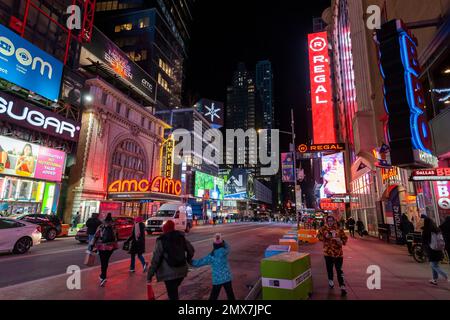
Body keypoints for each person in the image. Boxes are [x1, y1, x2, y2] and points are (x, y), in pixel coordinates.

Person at [147, 220, 195, 300]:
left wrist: (150, 275)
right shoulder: (181, 237)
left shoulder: (161, 240)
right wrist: (188, 260)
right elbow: (191, 250)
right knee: (173, 292)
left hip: (168, 274)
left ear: (164, 229)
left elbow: (156, 259)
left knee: (173, 294)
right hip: (182, 270)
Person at [191, 234, 235, 300]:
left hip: (217, 279)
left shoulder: (212, 256)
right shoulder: (225, 252)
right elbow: (228, 247)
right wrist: (222, 240)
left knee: (213, 296)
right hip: (227, 278)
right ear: (222, 244)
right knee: (230, 295)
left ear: (214, 245)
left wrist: (190, 261)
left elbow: (199, 263)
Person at [317, 215, 349, 296]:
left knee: (339, 270)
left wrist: (340, 241)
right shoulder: (323, 229)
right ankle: (330, 280)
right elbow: (319, 237)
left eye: (331, 220)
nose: (330, 222)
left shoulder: (339, 229)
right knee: (329, 269)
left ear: (334, 221)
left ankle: (342, 286)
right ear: (326, 221)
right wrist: (325, 237)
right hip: (328, 253)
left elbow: (345, 239)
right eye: (329, 221)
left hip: (338, 254)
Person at [92, 213, 118, 287]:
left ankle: (103, 276)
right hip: (111, 247)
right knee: (106, 261)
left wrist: (92, 246)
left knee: (103, 262)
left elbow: (96, 236)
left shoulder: (101, 227)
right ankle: (103, 275)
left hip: (102, 246)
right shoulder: (113, 227)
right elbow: (115, 236)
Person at [422, 216, 448, 285]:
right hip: (439, 249)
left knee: (434, 265)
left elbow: (424, 242)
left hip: (431, 250)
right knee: (434, 264)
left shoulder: (426, 231)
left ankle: (446, 276)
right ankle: (434, 279)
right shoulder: (437, 229)